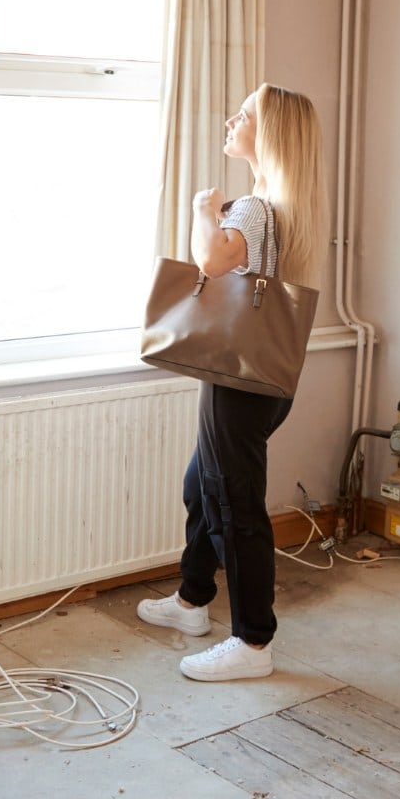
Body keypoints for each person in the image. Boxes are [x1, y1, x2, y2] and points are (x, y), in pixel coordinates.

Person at [137, 83, 328, 681]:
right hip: (261, 381)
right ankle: (194, 601)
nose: (229, 120)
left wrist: (203, 210)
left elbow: (212, 262)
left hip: (238, 382)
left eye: (242, 115)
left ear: (266, 134)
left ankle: (253, 642)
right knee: (204, 483)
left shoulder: (251, 208)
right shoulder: (284, 210)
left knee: (234, 502)